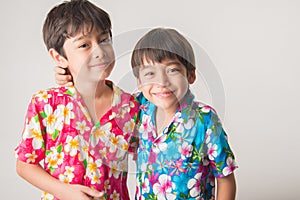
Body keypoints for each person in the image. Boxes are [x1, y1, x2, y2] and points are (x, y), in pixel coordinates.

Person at [55, 27, 238, 199]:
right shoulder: (138, 108)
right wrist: (70, 74)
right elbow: (101, 95)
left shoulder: (205, 119)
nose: (162, 82)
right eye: (150, 74)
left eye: (172, 70)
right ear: (139, 82)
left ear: (190, 75)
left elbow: (225, 177)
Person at [14, 0, 138, 200]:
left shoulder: (131, 107)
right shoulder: (46, 104)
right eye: (84, 45)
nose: (99, 51)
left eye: (104, 40)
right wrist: (63, 191)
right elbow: (24, 164)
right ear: (59, 57)